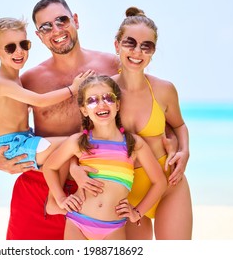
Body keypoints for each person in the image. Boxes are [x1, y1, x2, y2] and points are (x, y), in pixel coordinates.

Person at [0, 0, 120, 240]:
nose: (57, 30)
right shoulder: (29, 80)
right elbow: (2, 125)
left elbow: (140, 109)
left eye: (62, 20)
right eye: (46, 27)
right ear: (39, 36)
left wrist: (172, 142)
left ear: (76, 21)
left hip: (99, 187)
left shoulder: (112, 65)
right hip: (39, 189)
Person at [73, 7, 193, 239]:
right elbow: (83, 142)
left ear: (152, 52)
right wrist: (74, 169)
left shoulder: (165, 90)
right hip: (123, 194)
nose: (137, 51)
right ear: (117, 45)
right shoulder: (103, 92)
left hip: (168, 184)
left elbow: (179, 125)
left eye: (146, 46)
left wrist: (185, 151)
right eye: (130, 43)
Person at [42, 75, 167, 240]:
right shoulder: (78, 142)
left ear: (117, 104)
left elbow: (160, 182)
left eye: (108, 98)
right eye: (92, 100)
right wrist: (60, 198)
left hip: (113, 228)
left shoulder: (133, 144)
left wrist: (137, 212)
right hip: (77, 222)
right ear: (84, 110)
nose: (101, 104)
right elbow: (49, 167)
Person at [0, 17, 94, 170]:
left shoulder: (16, 81)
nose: (19, 51)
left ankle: (57, 194)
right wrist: (73, 88)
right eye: (10, 47)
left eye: (24, 45)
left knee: (61, 160)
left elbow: (1, 121)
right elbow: (40, 100)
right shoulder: (0, 84)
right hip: (16, 146)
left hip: (24, 139)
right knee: (78, 143)